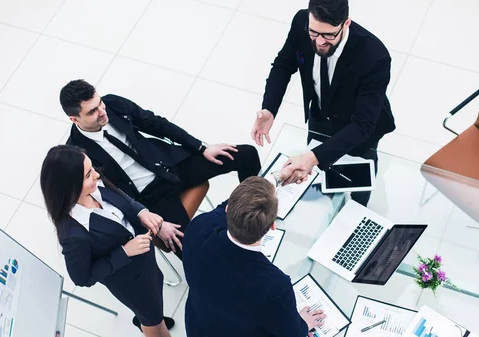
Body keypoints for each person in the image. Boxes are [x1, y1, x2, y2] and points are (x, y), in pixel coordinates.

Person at [61, 79, 261, 256]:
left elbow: (156, 124)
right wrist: (154, 222)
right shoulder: (77, 154)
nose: (102, 112)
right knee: (193, 250)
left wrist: (201, 147)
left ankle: (258, 212)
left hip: (169, 166)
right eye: (92, 111)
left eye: (99, 103)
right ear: (74, 119)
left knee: (247, 155)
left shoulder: (112, 103)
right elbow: (107, 196)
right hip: (149, 199)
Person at [251, 0, 396, 206]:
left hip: (358, 127)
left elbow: (363, 125)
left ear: (346, 23)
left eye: (329, 35)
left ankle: (358, 203)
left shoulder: (374, 55)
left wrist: (312, 158)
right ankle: (330, 193)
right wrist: (269, 108)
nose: (319, 42)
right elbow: (284, 65)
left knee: (359, 175)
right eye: (314, 33)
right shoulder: (302, 21)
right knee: (323, 168)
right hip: (320, 116)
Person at [40, 145, 179, 336]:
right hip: (132, 283)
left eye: (92, 169)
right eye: (88, 174)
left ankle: (148, 319)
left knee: (153, 307)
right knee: (154, 323)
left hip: (146, 263)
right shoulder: (73, 234)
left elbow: (124, 200)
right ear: (70, 186)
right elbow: (82, 278)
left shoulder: (96, 185)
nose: (96, 175)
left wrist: (141, 212)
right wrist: (124, 252)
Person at [182, 170, 326, 337]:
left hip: (199, 324)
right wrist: (303, 323)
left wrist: (276, 178)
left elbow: (224, 207)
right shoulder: (275, 285)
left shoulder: (200, 226)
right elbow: (292, 333)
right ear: (272, 226)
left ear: (228, 209)